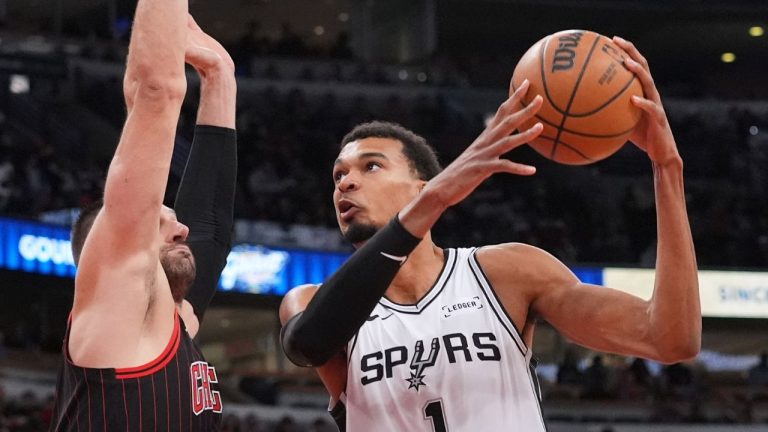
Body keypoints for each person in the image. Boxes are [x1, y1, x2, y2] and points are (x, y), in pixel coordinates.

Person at [279, 37, 700, 431]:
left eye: (370, 166)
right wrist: (430, 204)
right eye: (338, 175)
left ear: (422, 187)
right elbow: (309, 343)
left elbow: (669, 339)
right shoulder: (309, 301)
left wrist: (668, 168)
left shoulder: (506, 273)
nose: (346, 183)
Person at [48, 2, 237, 430]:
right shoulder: (116, 304)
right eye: (159, 223)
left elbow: (210, 227)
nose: (183, 229)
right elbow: (155, 92)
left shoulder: (174, 323)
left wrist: (219, 75)